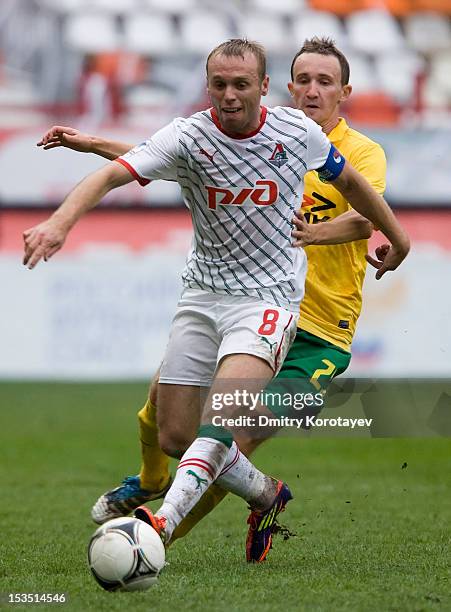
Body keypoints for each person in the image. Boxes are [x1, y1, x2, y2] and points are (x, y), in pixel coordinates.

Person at [29, 39, 409, 562]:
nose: (313, 90)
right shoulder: (248, 133)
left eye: (325, 82)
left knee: (233, 430)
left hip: (317, 332)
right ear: (287, 86)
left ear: (344, 93)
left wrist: (323, 234)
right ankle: (203, 486)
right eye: (305, 79)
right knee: (168, 423)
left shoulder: (350, 150)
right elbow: (181, 159)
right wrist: (95, 146)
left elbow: (369, 213)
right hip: (218, 298)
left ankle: (154, 538)